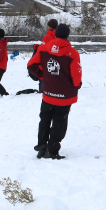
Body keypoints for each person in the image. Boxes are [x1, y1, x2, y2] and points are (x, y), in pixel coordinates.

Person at [27, 23, 82, 160]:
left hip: (48, 94)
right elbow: (76, 75)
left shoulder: (44, 48)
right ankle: (52, 150)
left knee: (44, 120)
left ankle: (41, 147)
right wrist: (76, 86)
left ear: (55, 34)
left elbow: (31, 65)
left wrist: (42, 76)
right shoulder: (72, 53)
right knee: (59, 123)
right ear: (67, 35)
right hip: (64, 96)